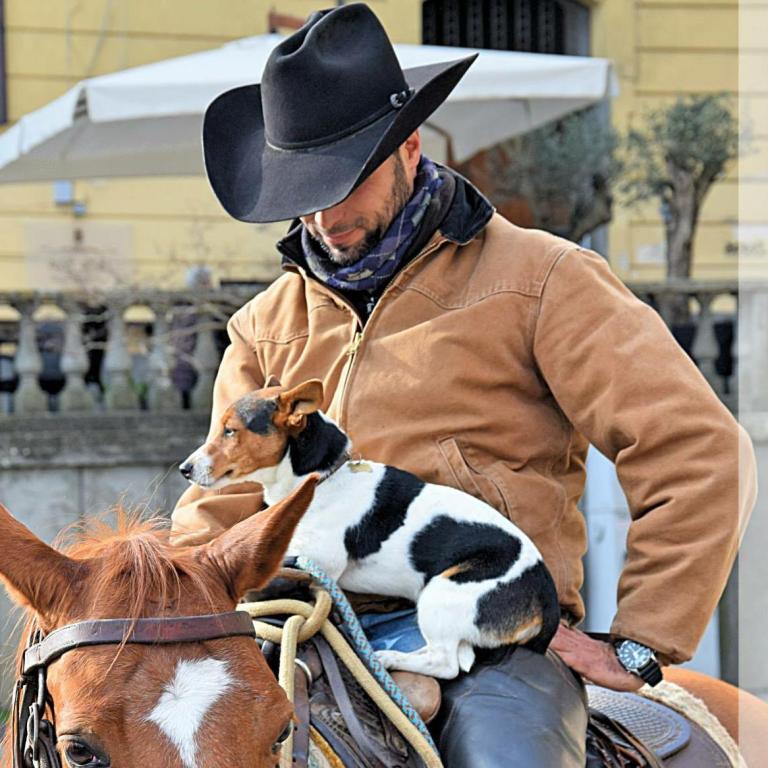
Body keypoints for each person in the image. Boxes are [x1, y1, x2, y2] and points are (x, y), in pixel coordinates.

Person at [171, 5, 756, 766]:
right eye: (303, 189)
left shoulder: (545, 279)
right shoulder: (262, 323)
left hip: (492, 632)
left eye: (345, 182)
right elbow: (215, 509)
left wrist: (641, 641)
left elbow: (698, 450)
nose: (325, 215)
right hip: (295, 628)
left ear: (410, 147)